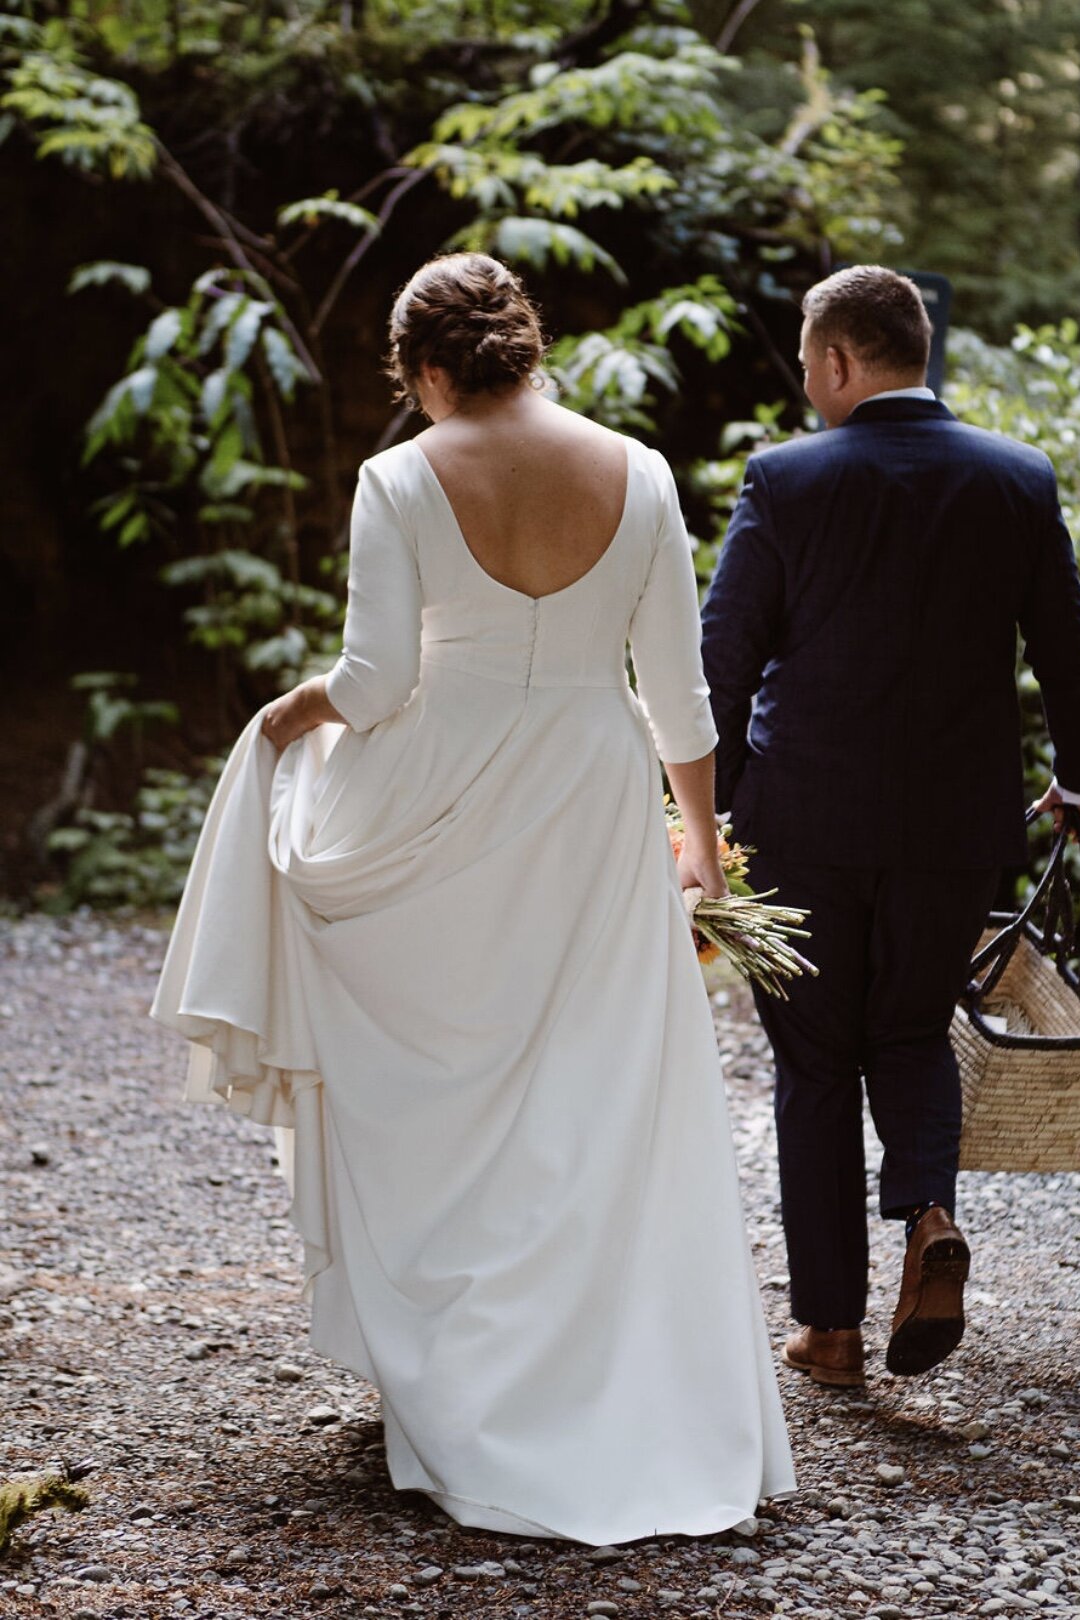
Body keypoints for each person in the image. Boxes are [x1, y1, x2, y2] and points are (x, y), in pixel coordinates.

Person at [152, 252, 794, 1543]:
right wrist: (706, 859)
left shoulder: (402, 477)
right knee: (597, 1097)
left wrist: (298, 712)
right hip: (593, 801)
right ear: (528, 345)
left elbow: (379, 681)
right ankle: (627, 1390)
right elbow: (679, 696)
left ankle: (468, 1383)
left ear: (430, 370)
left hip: (446, 799)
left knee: (445, 1099)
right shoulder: (645, 474)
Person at [700, 265, 1080, 1387]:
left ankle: (829, 1331)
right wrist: (1079, 780)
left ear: (837, 360)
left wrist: (713, 817)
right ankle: (928, 1217)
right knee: (915, 1029)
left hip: (803, 821)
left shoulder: (785, 479)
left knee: (817, 1062)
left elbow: (720, 663)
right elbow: (1069, 649)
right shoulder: (1016, 478)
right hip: (954, 823)